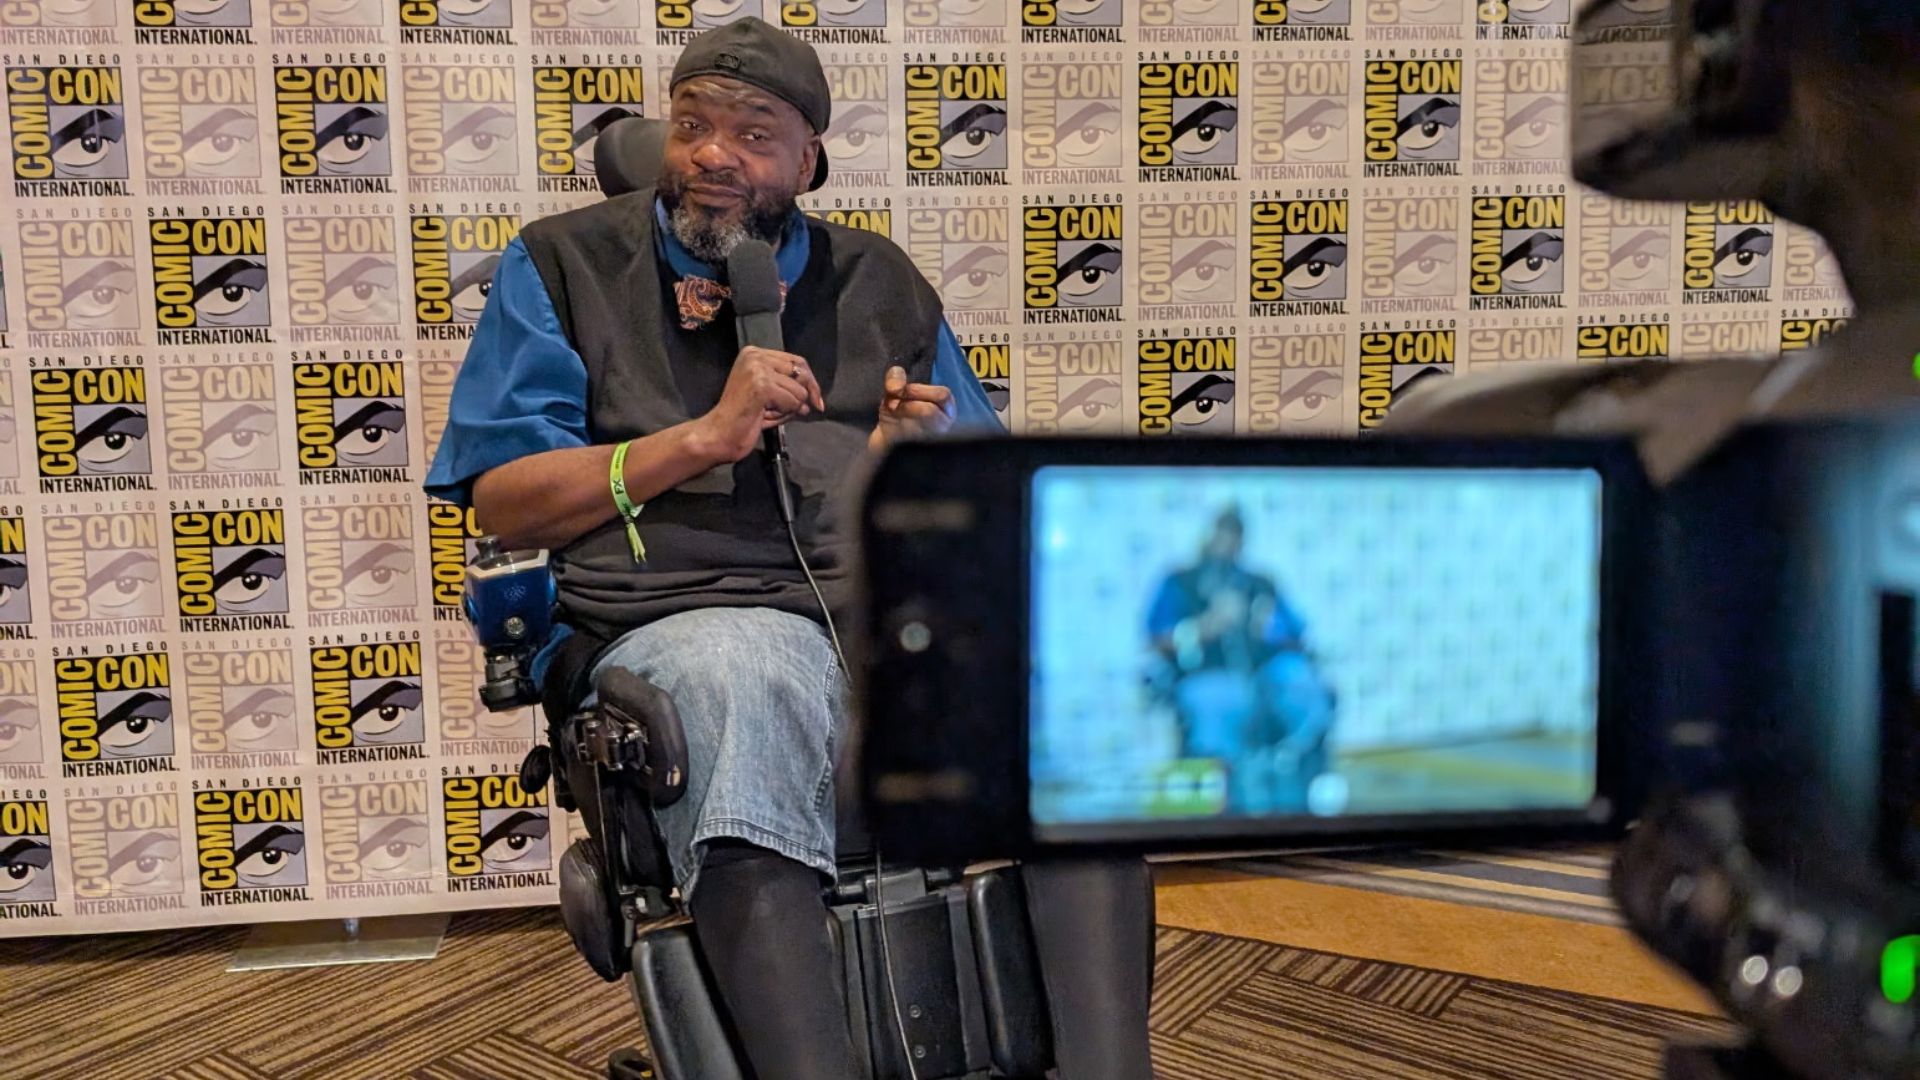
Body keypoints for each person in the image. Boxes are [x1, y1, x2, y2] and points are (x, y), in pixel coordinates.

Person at [424, 17, 1154, 1080]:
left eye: (754, 134)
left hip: (874, 614)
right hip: (674, 617)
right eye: (692, 126)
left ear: (809, 159)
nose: (714, 154)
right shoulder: (564, 264)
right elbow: (506, 502)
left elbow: (989, 491)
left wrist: (913, 467)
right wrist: (699, 440)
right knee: (751, 675)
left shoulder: (878, 279)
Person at [1146, 506, 1333, 815]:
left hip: (1264, 671)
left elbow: (1297, 634)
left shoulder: (1260, 583)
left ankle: (1302, 795)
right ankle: (1222, 808)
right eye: (1221, 532)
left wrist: (1269, 628)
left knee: (1303, 686)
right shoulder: (1179, 582)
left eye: (1235, 534)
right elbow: (1156, 639)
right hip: (1207, 672)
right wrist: (1205, 626)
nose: (1227, 541)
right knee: (1223, 699)